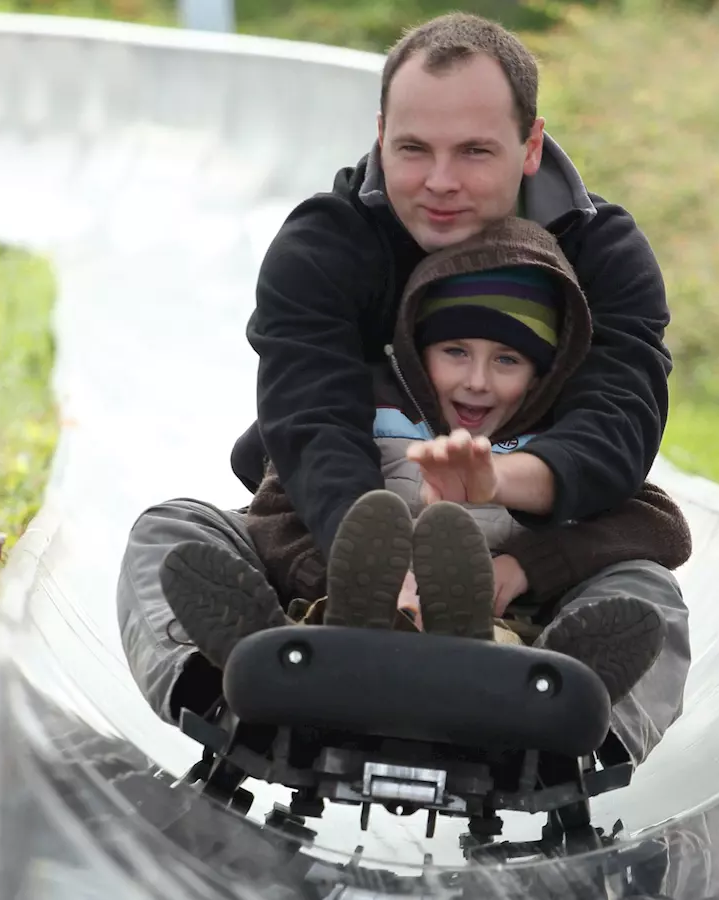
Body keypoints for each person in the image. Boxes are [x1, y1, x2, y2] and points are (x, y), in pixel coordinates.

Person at [117, 12, 686, 765]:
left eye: (475, 152)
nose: (439, 182)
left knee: (648, 596)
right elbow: (309, 424)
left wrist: (496, 508)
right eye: (413, 150)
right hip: (334, 558)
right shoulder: (324, 242)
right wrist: (379, 571)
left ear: (530, 146)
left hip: (521, 579)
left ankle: (570, 738)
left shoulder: (604, 255)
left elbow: (620, 427)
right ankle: (238, 695)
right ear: (381, 132)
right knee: (168, 532)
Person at [187, 217, 689, 721]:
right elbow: (273, 507)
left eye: (508, 360)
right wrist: (355, 578)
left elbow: (661, 524)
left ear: (543, 372)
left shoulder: (556, 442)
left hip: (507, 650)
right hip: (338, 622)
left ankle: (583, 711)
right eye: (455, 352)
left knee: (648, 591)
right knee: (182, 528)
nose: (477, 381)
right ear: (415, 347)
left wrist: (525, 569)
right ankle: (221, 678)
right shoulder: (363, 413)